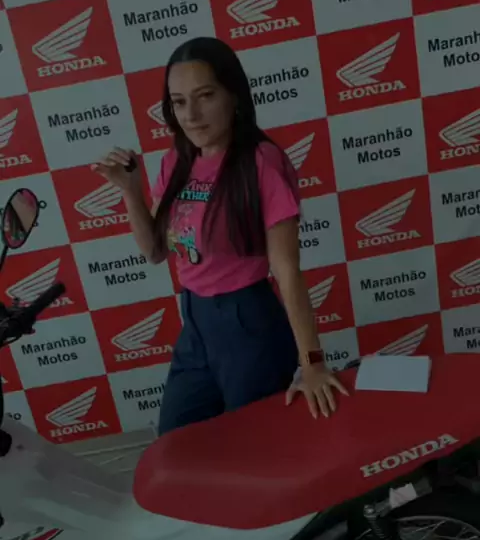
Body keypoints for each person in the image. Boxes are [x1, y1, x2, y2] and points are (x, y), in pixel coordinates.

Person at [93, 37, 348, 435]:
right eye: (179, 102)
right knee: (177, 443)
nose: (191, 115)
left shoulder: (261, 162)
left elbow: (287, 270)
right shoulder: (177, 161)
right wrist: (130, 190)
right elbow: (155, 251)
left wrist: (312, 363)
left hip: (248, 323)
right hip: (195, 322)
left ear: (234, 95)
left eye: (205, 96)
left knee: (253, 447)